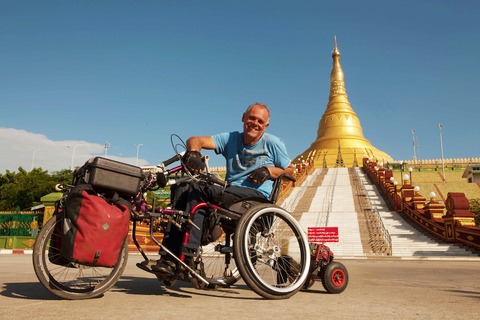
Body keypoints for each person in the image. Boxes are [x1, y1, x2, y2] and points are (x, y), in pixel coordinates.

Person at [140, 102, 294, 275]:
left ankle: (187, 256)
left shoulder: (272, 143)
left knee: (198, 190)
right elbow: (195, 140)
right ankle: (170, 259)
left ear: (266, 126)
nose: (255, 123)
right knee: (183, 188)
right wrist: (194, 153)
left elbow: (290, 170)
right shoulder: (231, 138)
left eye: (260, 121)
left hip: (255, 198)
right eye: (252, 118)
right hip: (229, 192)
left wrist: (269, 170)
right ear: (243, 118)